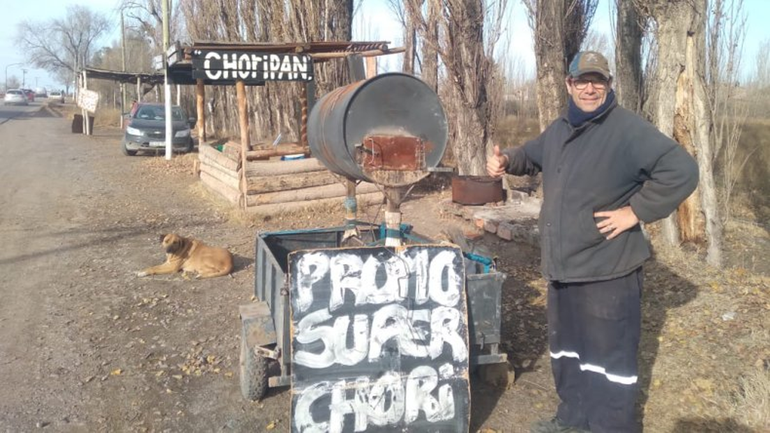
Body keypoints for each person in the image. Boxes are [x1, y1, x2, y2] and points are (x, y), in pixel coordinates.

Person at [487, 51, 699, 433]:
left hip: (608, 270)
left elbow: (682, 170)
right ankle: (572, 419)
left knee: (608, 362)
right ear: (569, 84)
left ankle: (608, 427)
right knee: (567, 353)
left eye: (597, 81)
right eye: (581, 80)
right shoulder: (562, 127)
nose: (589, 87)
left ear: (608, 85)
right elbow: (532, 155)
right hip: (564, 267)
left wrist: (635, 212)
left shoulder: (627, 130)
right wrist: (507, 161)